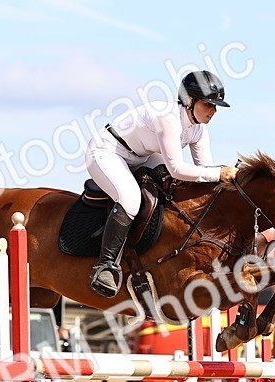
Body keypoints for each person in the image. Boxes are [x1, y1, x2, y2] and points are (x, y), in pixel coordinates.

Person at [84, 70, 239, 298]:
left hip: (141, 155)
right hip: (107, 150)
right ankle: (105, 266)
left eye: (216, 106)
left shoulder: (198, 130)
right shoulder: (168, 118)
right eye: (209, 104)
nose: (213, 111)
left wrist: (227, 181)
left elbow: (204, 173)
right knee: (131, 199)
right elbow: (178, 168)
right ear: (190, 101)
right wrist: (219, 173)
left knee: (173, 187)